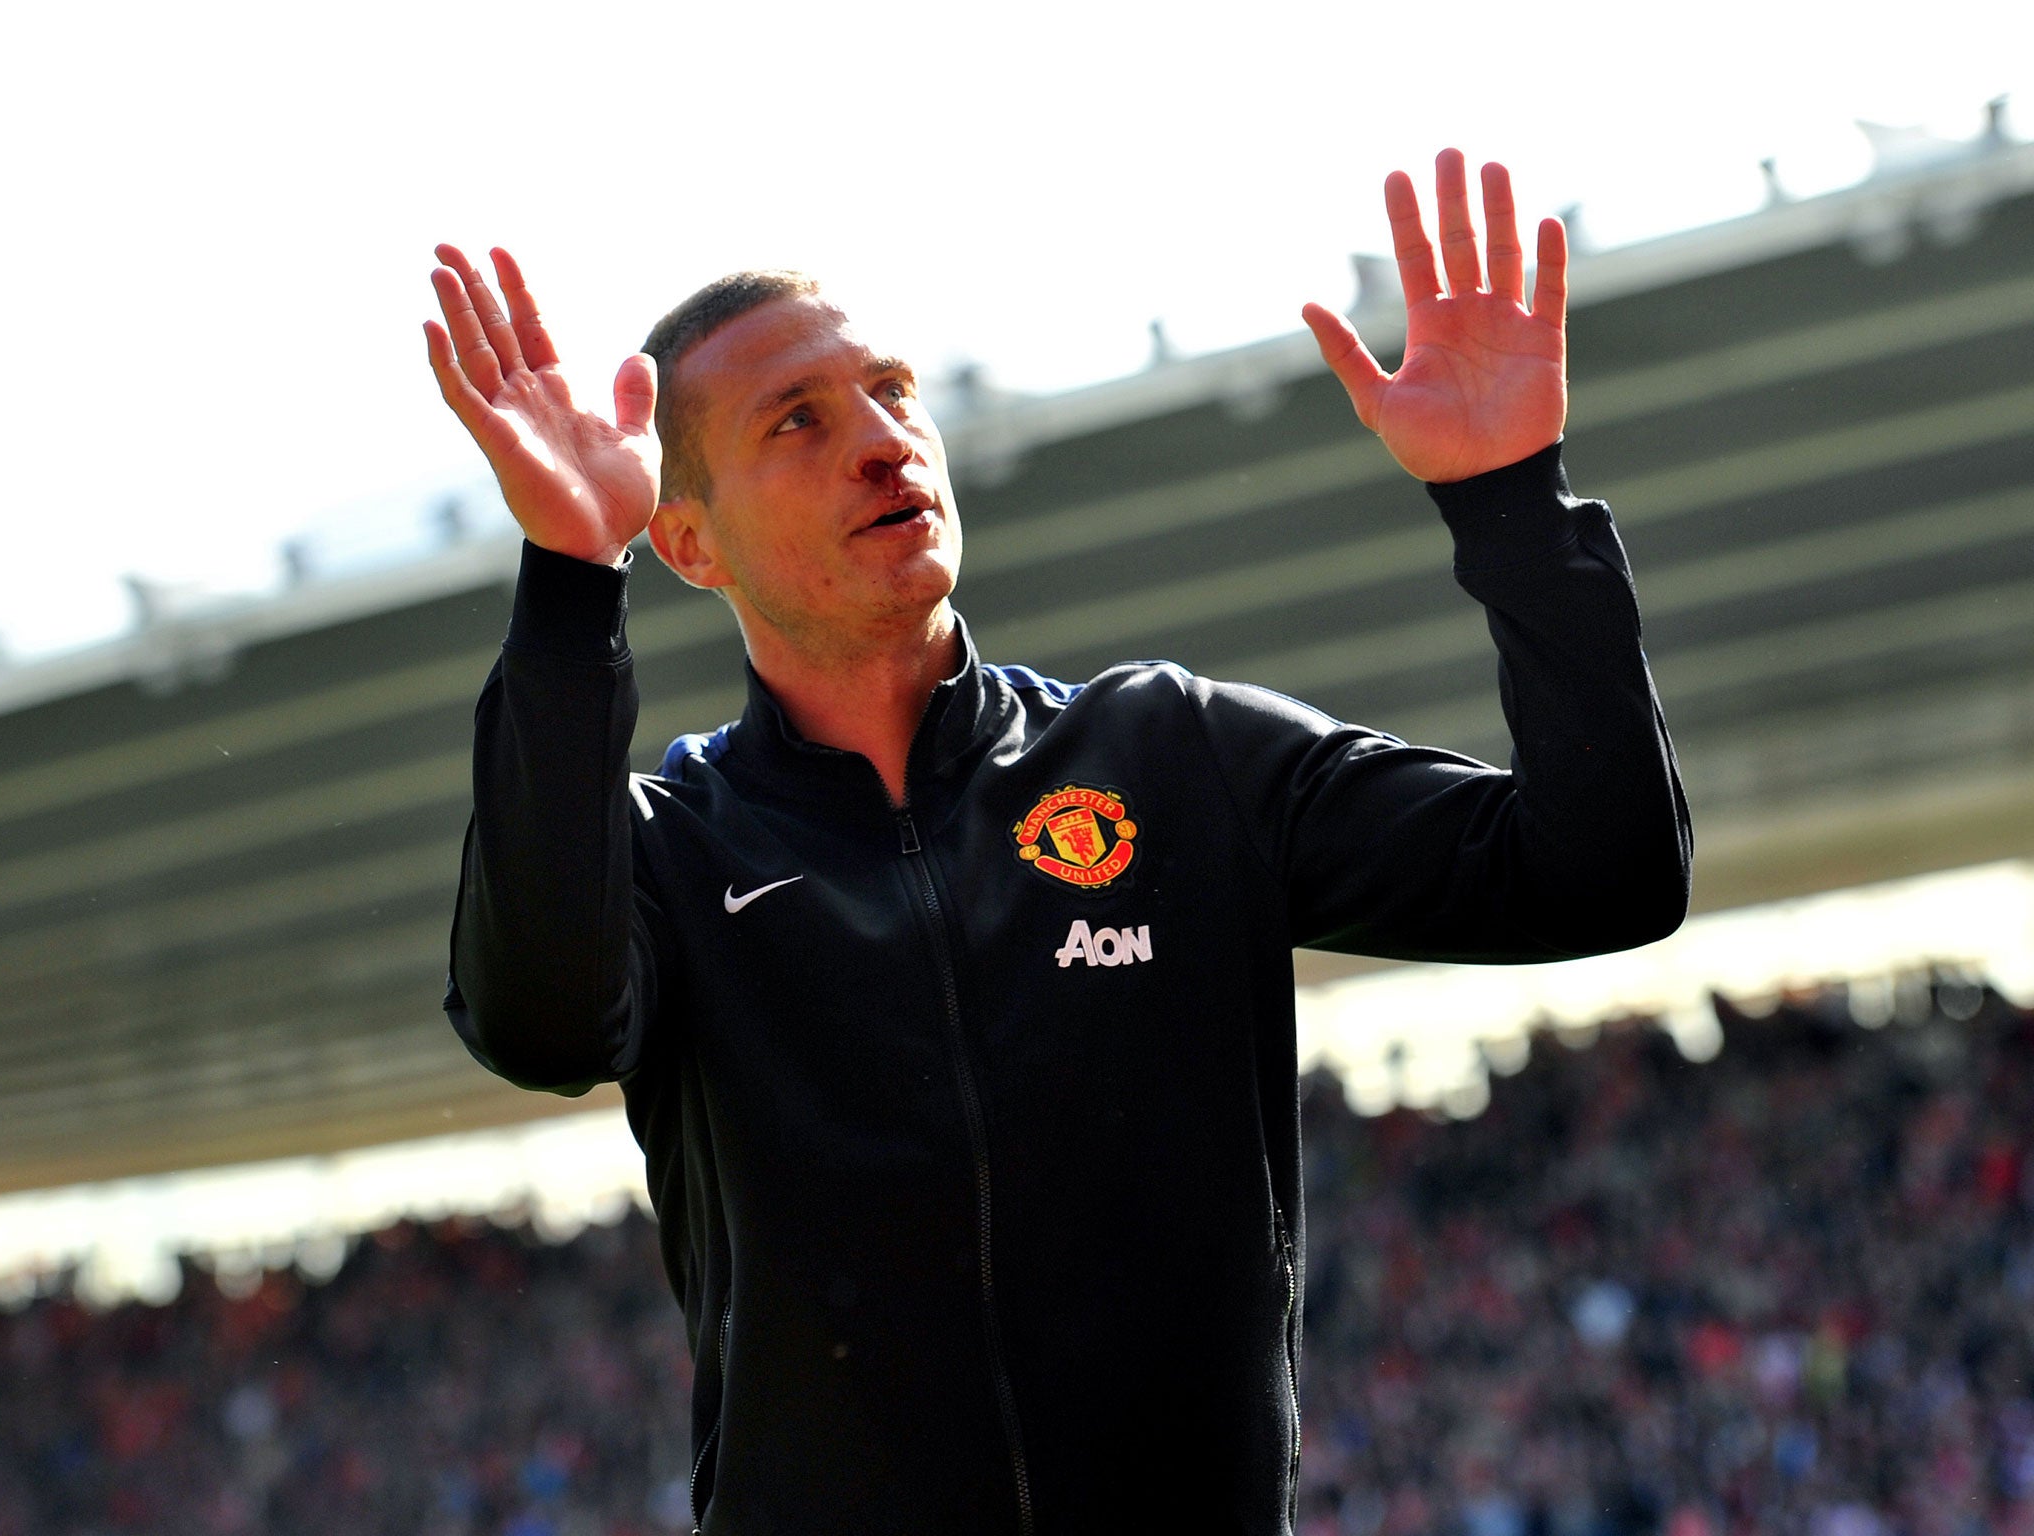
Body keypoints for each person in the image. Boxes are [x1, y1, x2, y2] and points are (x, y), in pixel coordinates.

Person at [425, 150, 1692, 1535]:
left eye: (892, 391)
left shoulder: (1172, 754)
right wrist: (563, 589)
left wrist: (1511, 502)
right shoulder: (668, 852)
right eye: (795, 421)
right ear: (688, 542)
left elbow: (1600, 871)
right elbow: (539, 1022)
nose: (880, 438)